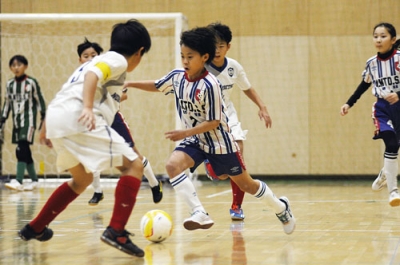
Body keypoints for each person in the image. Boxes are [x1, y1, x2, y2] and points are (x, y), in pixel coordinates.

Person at [124, 26, 296, 234]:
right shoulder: (177, 76)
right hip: (195, 140)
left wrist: (183, 133)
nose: (185, 61)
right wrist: (130, 83)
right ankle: (199, 212)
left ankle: (281, 208)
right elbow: (157, 84)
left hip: (219, 142)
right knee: (172, 165)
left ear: (204, 57)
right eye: (182, 56)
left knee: (247, 185)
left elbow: (214, 122)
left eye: (190, 57)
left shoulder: (210, 85)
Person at [18, 19, 152, 257]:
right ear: (139, 52)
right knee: (134, 165)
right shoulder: (117, 59)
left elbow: (65, 91)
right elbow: (93, 76)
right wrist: (89, 107)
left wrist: (46, 125)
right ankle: (116, 231)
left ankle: (35, 227)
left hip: (59, 117)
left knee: (82, 179)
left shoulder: (94, 62)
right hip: (79, 117)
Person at [76, 38, 163, 206]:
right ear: (79, 59)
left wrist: (106, 99)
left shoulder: (109, 71)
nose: (89, 58)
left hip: (114, 117)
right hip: (93, 118)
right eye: (85, 56)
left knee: (134, 155)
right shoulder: (80, 78)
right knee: (92, 156)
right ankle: (98, 191)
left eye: (93, 55)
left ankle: (154, 183)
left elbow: (123, 95)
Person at [204, 22, 272, 220]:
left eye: (221, 45)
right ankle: (211, 163)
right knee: (222, 174)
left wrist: (262, 107)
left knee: (239, 155)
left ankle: (236, 206)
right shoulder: (202, 67)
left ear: (228, 46)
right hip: (207, 119)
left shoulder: (234, 67)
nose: (217, 50)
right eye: (213, 45)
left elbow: (247, 88)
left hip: (229, 116)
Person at [340, 22, 400, 207]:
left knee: (395, 147)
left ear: (393, 40)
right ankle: (393, 191)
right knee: (390, 143)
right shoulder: (371, 63)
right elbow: (364, 85)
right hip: (382, 109)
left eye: (383, 36)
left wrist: (398, 95)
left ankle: (385, 173)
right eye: (375, 36)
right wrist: (349, 102)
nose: (378, 39)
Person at [1, 55, 46, 192]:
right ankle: (34, 180)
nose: (16, 67)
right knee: (25, 150)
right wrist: (2, 118)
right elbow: (7, 103)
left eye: (19, 65)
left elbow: (39, 100)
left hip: (29, 121)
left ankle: (18, 181)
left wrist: (44, 117)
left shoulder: (31, 83)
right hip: (16, 122)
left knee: (20, 148)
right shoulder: (10, 84)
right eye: (13, 65)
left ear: (25, 66)